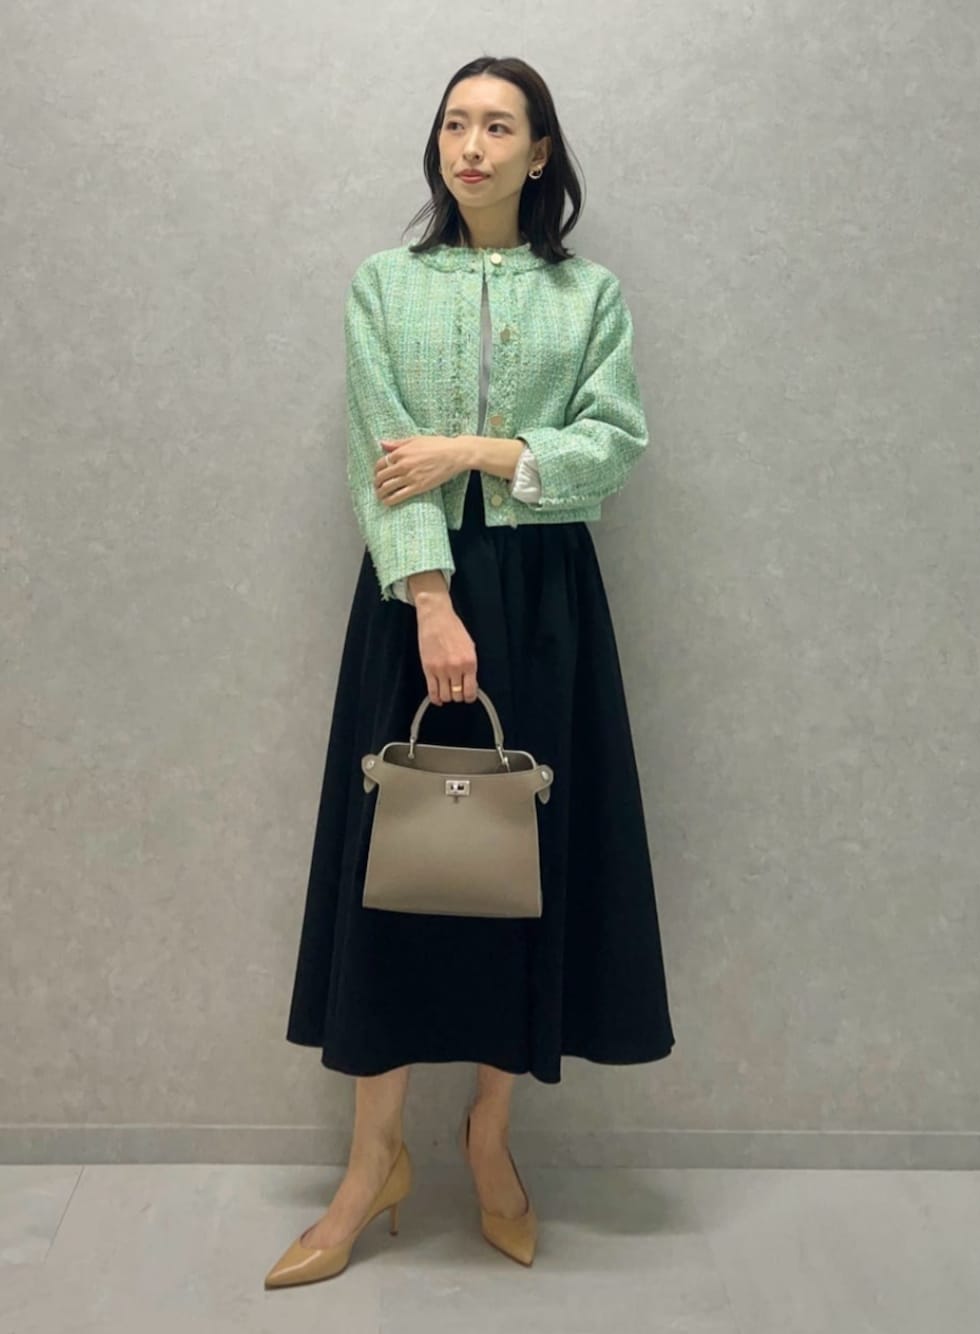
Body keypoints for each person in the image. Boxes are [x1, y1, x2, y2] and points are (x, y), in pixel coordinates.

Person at [265, 54, 675, 1290]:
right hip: (416, 595)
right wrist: (433, 603)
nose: (473, 146)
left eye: (500, 126)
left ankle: (489, 1136)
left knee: (518, 868)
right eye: (456, 123)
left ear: (539, 152)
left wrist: (471, 450)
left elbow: (612, 445)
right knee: (396, 870)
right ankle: (370, 1161)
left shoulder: (588, 293)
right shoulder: (383, 284)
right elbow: (378, 454)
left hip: (548, 601)